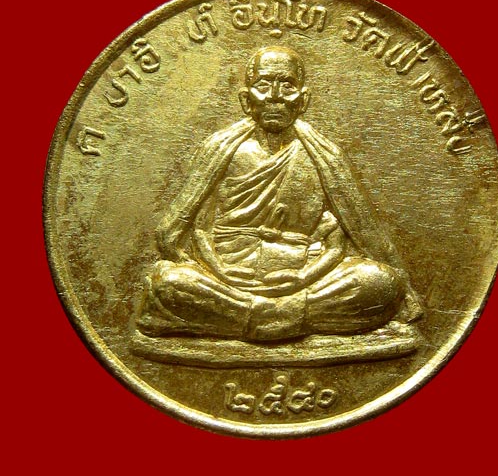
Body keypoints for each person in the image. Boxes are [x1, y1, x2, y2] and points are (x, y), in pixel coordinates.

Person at [136, 46, 421, 341]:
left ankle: (247, 319)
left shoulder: (324, 157)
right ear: (246, 100)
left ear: (303, 100)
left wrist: (302, 277)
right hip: (230, 279)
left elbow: (343, 239)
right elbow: (197, 228)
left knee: (380, 283)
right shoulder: (221, 150)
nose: (275, 96)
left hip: (303, 279)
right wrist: (220, 270)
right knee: (169, 282)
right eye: (263, 85)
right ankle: (292, 319)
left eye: (287, 86)